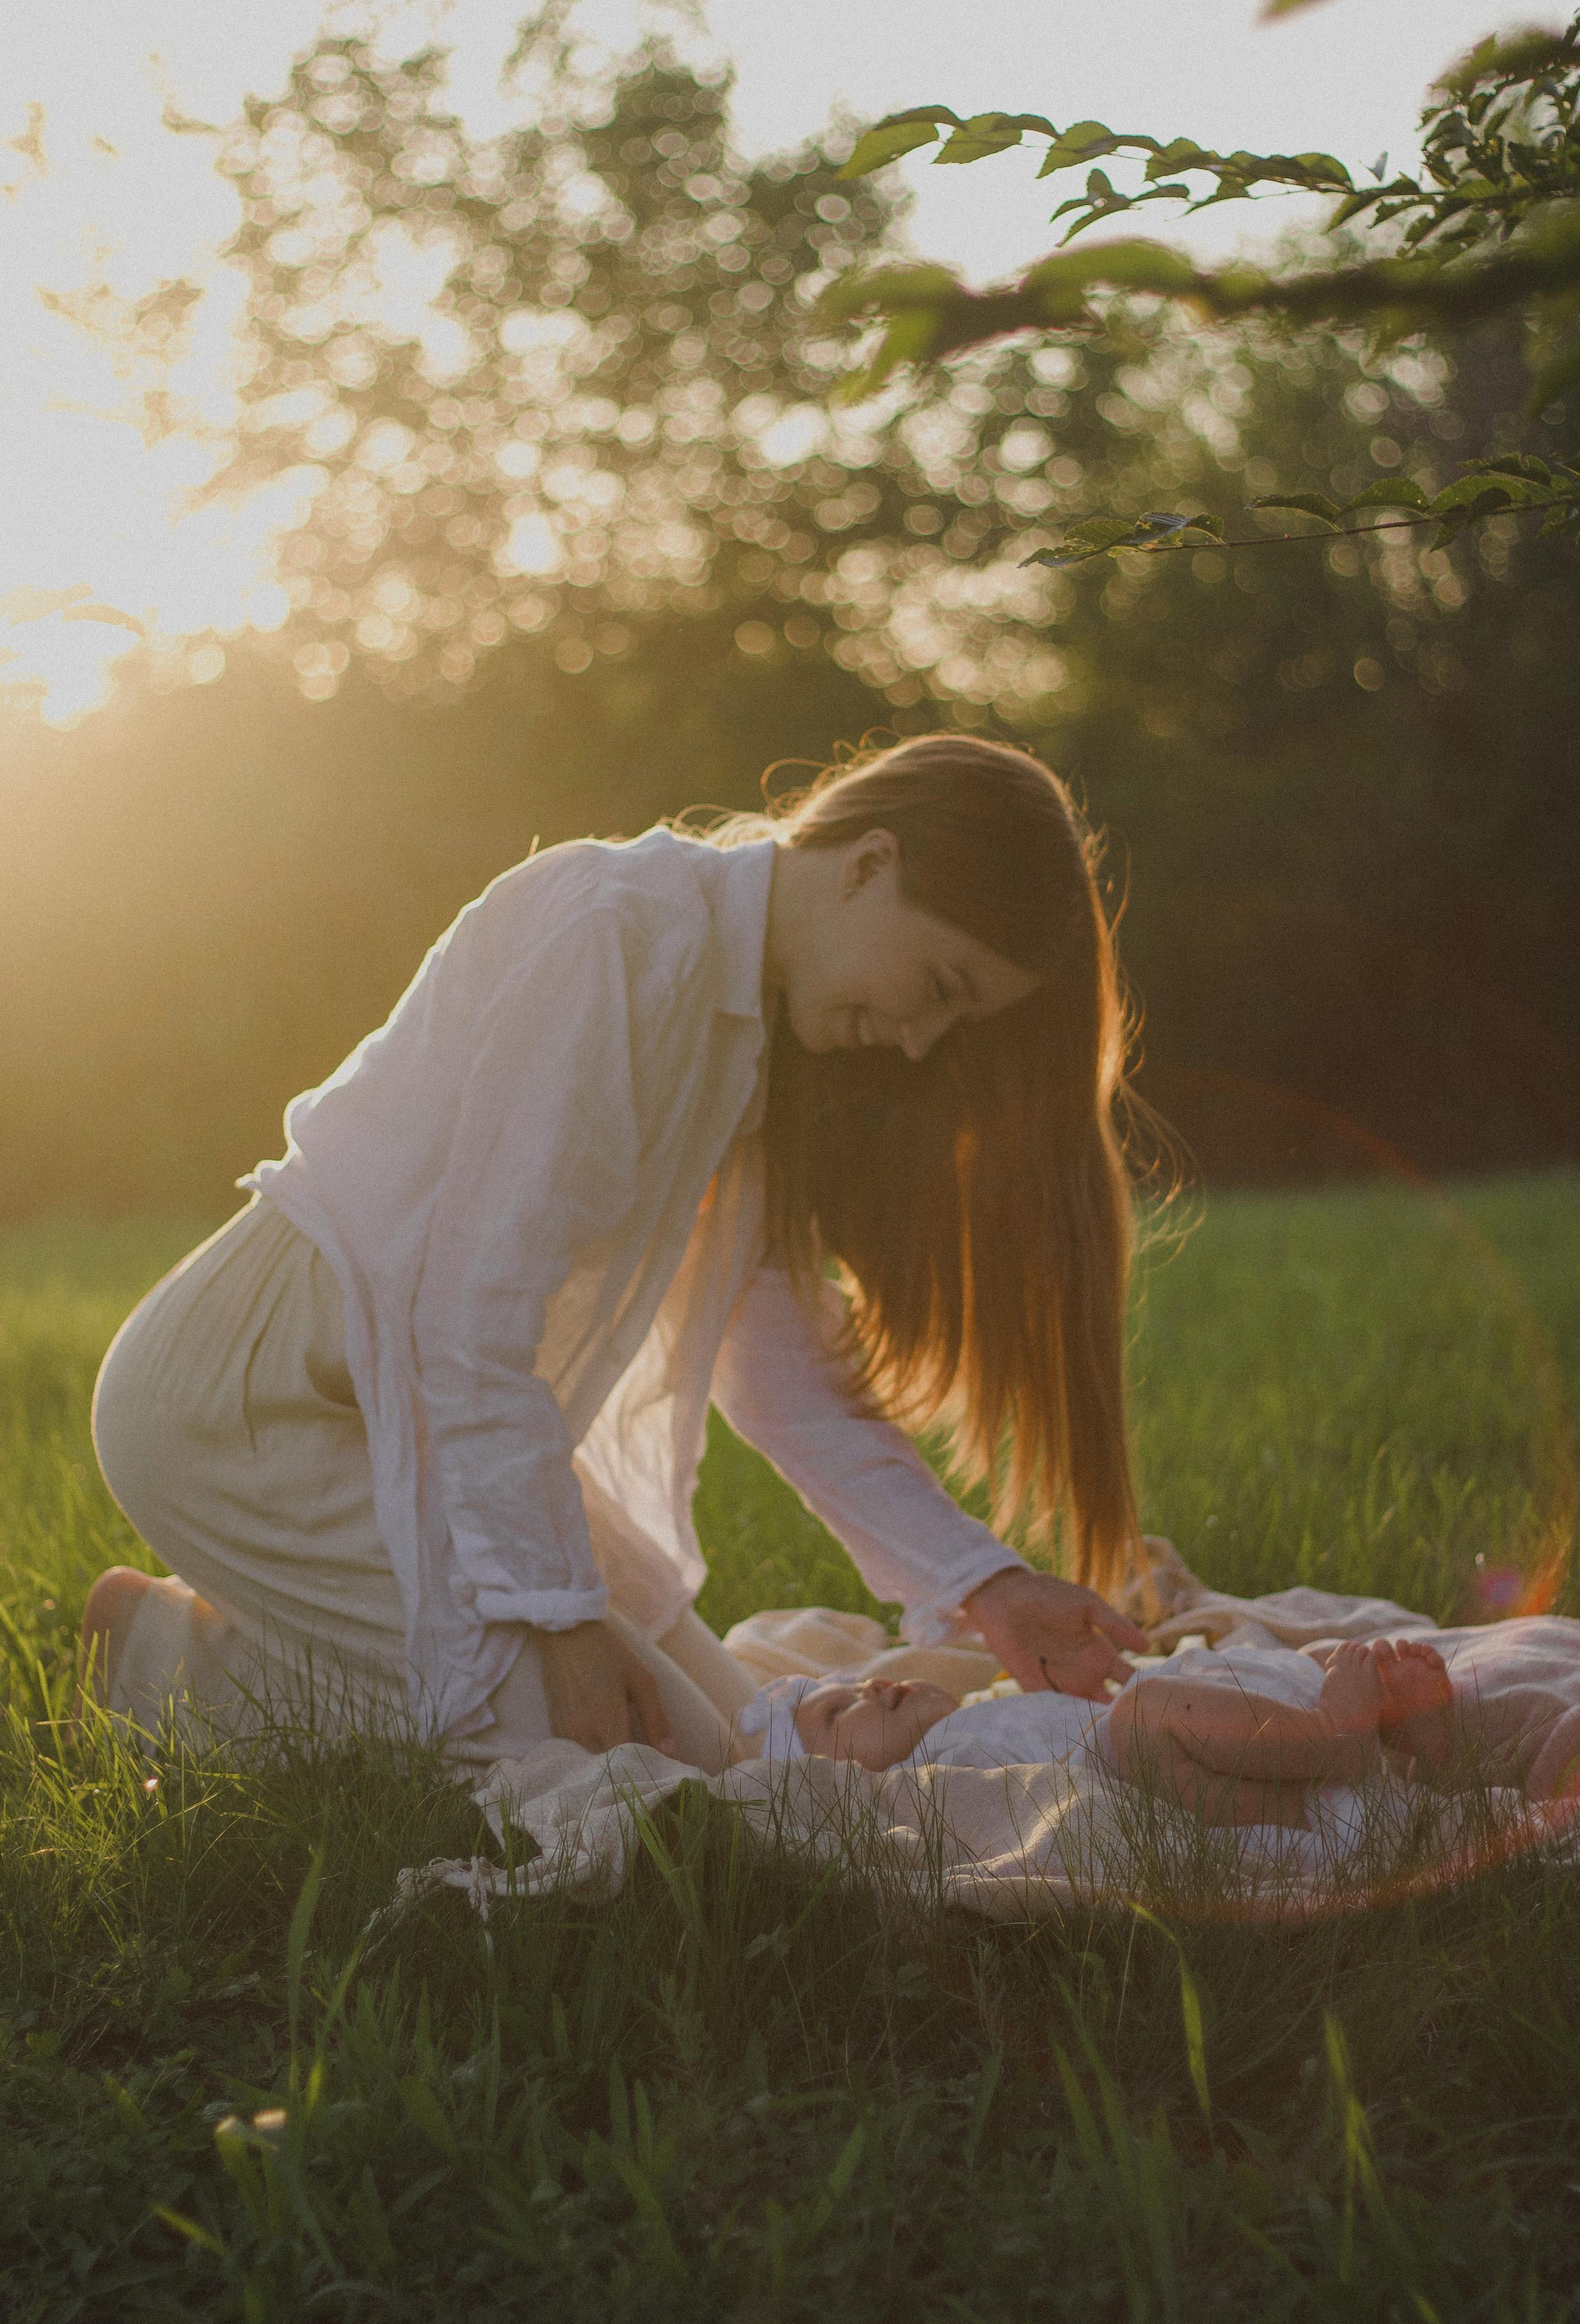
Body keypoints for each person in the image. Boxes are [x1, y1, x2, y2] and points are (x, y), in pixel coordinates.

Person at [85, 734, 1145, 1775]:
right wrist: (555, 1613)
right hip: (249, 1408)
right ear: (869, 865)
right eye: (945, 984)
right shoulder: (619, 935)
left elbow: (778, 1374)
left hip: (410, 1417)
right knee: (657, 1763)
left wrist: (985, 1584)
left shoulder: (753, 1047)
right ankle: (160, 1665)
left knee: (756, 1745)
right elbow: (469, 1310)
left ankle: (241, 1638)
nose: (922, 1038)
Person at [763, 1638, 1460, 1829]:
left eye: (858, 1681)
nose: (873, 1687)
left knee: (1232, 1665)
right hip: (1168, 1791)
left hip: (1195, 1747)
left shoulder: (979, 1713)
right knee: (1148, 1708)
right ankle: (1337, 1736)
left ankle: (1408, 1745)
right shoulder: (923, 1784)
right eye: (836, 1713)